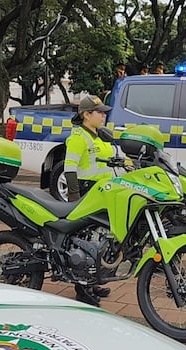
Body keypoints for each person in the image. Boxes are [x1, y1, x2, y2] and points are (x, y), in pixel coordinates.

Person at [64, 95, 115, 305]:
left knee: (98, 239)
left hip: (102, 193)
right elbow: (69, 169)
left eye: (104, 112)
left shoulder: (98, 136)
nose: (104, 116)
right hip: (86, 192)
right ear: (86, 115)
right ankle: (82, 288)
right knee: (85, 240)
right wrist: (75, 199)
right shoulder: (79, 137)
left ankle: (93, 283)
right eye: (100, 112)